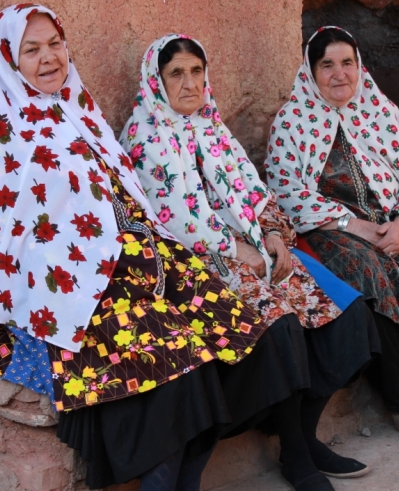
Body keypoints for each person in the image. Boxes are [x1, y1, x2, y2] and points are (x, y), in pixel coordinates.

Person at [0, 4, 293, 491]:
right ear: (8, 58)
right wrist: (98, 264)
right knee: (174, 362)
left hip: (138, 263)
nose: (49, 58)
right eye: (31, 50)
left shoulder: (77, 107)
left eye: (55, 44)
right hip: (74, 289)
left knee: (238, 333)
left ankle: (188, 479)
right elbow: (2, 236)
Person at [120, 34, 381, 491]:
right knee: (280, 325)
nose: (189, 83)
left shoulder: (212, 126)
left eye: (196, 71)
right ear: (155, 81)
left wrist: (275, 234)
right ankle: (297, 457)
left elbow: (253, 189)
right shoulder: (145, 138)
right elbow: (177, 221)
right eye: (176, 73)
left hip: (256, 251)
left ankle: (303, 434)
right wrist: (241, 250)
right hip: (199, 263)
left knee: (349, 314)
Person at [265, 26, 399, 441]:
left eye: (347, 63)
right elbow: (285, 194)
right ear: (310, 71)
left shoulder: (384, 113)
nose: (339, 74)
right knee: (368, 278)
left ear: (359, 66)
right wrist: (353, 225)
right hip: (331, 230)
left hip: (392, 223)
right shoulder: (291, 122)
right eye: (326, 64)